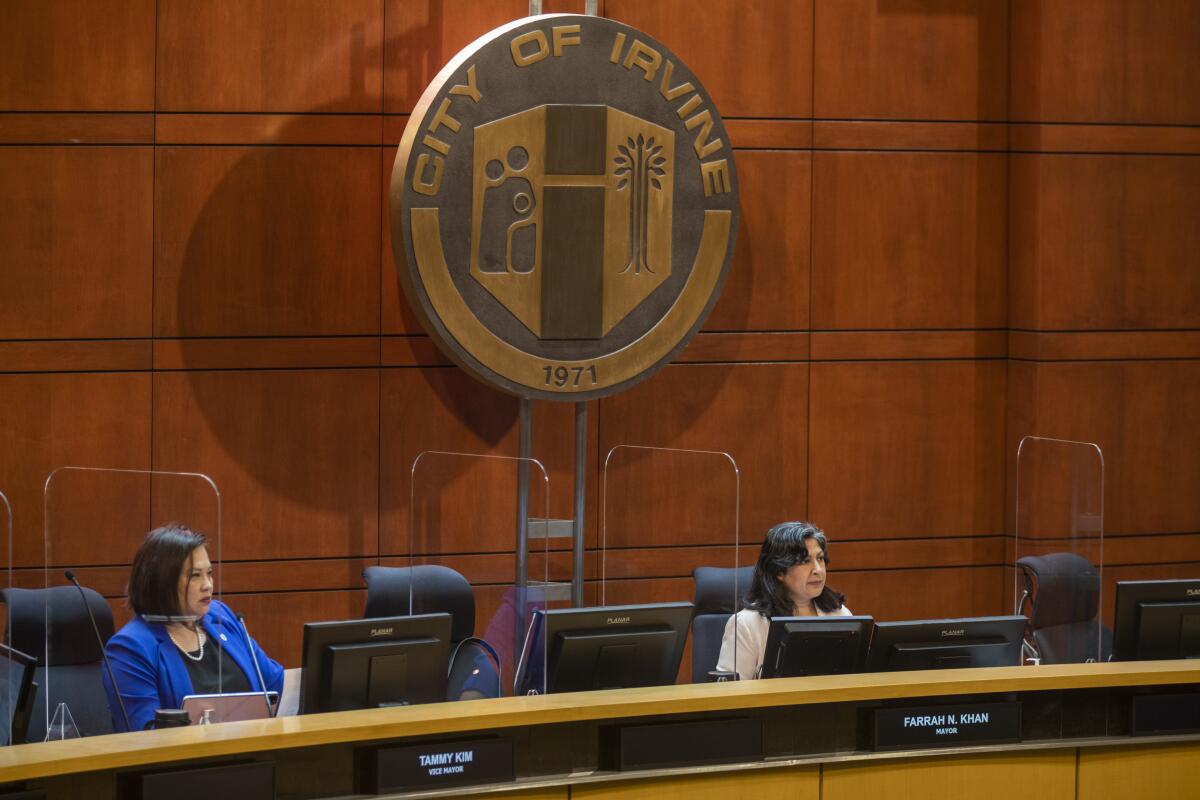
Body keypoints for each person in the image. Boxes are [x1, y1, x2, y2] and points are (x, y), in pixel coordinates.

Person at [103, 523, 284, 731]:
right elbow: (143, 732)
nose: (207, 584)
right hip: (182, 761)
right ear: (163, 582)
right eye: (195, 576)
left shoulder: (221, 617)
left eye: (209, 573)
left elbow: (273, 684)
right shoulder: (130, 647)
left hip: (252, 752)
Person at [716, 521, 852, 680]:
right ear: (779, 571)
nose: (818, 570)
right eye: (805, 561)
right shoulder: (746, 625)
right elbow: (729, 695)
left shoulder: (840, 615)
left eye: (820, 558)